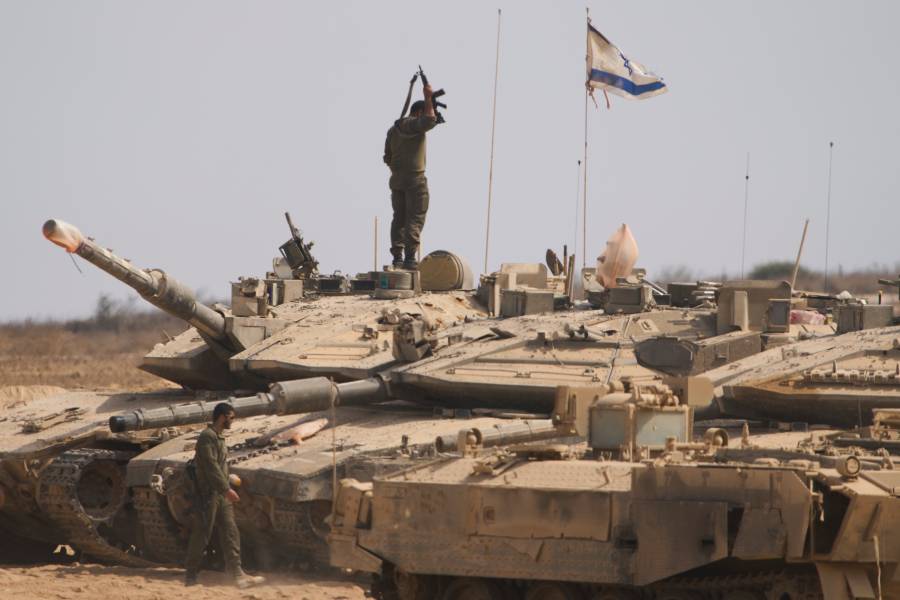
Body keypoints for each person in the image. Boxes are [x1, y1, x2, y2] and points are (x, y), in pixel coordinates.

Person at [184, 402, 264, 589]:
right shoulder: (207, 437)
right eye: (231, 417)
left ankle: (237, 574)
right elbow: (210, 466)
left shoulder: (218, 437)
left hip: (220, 494)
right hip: (208, 494)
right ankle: (190, 577)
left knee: (230, 531)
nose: (232, 421)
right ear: (222, 417)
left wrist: (227, 481)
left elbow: (219, 466)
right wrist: (226, 488)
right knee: (202, 534)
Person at [384, 83, 438, 270]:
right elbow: (429, 121)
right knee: (415, 218)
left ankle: (397, 257)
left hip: (397, 181)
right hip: (415, 181)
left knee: (398, 219)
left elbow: (387, 157)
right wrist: (428, 97)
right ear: (418, 112)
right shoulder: (414, 124)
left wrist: (400, 170)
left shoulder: (393, 130)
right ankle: (409, 258)